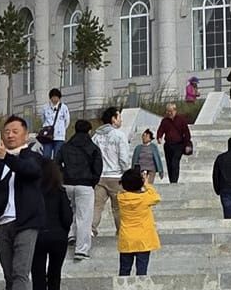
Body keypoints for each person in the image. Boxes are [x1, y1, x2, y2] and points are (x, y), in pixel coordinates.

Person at [0, 115, 45, 290]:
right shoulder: (1, 159)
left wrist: (5, 157)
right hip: (3, 221)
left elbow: (29, 170)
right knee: (8, 272)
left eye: (15, 132)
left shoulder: (33, 157)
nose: (10, 135)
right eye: (6, 131)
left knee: (20, 270)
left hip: (26, 222)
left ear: (26, 135)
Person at [31, 155, 76, 290]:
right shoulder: (60, 191)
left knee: (38, 273)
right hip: (58, 237)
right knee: (55, 273)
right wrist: (64, 230)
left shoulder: (33, 192)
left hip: (37, 236)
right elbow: (67, 216)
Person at [57, 117, 102, 259]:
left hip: (67, 184)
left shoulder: (65, 147)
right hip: (85, 185)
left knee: (69, 212)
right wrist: (92, 182)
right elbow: (98, 168)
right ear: (89, 131)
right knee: (84, 217)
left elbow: (56, 164)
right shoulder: (93, 148)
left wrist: (63, 177)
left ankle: (70, 235)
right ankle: (81, 249)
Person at [93, 107, 134, 237]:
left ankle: (91, 229)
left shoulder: (96, 136)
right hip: (116, 177)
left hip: (100, 177)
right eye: (119, 117)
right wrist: (127, 173)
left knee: (96, 206)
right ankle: (121, 231)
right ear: (113, 119)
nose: (121, 120)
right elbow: (123, 158)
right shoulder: (119, 135)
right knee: (118, 208)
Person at [115, 167, 160, 277]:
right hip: (143, 239)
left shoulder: (120, 198)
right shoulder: (145, 198)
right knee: (142, 272)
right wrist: (146, 183)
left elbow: (123, 189)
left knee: (124, 270)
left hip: (127, 239)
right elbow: (156, 197)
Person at [157, 103, 193, 184]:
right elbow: (161, 130)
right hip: (168, 145)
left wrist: (187, 144)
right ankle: (171, 180)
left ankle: (174, 181)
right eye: (168, 111)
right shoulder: (165, 121)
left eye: (171, 111)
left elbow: (186, 133)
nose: (169, 113)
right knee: (169, 164)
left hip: (179, 145)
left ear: (175, 110)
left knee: (175, 162)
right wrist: (159, 137)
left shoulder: (181, 120)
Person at [39, 88, 70, 159]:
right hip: (47, 135)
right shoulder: (45, 107)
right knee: (46, 156)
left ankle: (56, 169)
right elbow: (42, 119)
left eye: (56, 97)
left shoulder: (64, 107)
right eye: (53, 97)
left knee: (57, 156)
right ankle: (46, 169)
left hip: (59, 136)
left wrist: (62, 129)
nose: (55, 99)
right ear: (50, 98)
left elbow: (67, 121)